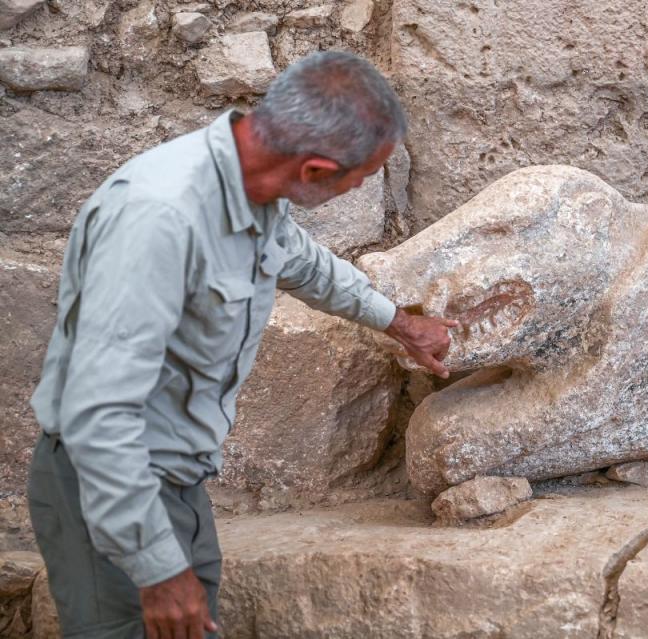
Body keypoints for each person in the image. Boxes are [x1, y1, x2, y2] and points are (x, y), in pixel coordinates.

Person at [27, 51, 456, 639]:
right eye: (357, 179)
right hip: (111, 488)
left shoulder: (254, 187)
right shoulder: (159, 219)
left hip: (173, 482)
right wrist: (157, 570)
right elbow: (98, 416)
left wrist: (398, 323)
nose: (357, 188)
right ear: (313, 170)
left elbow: (303, 263)